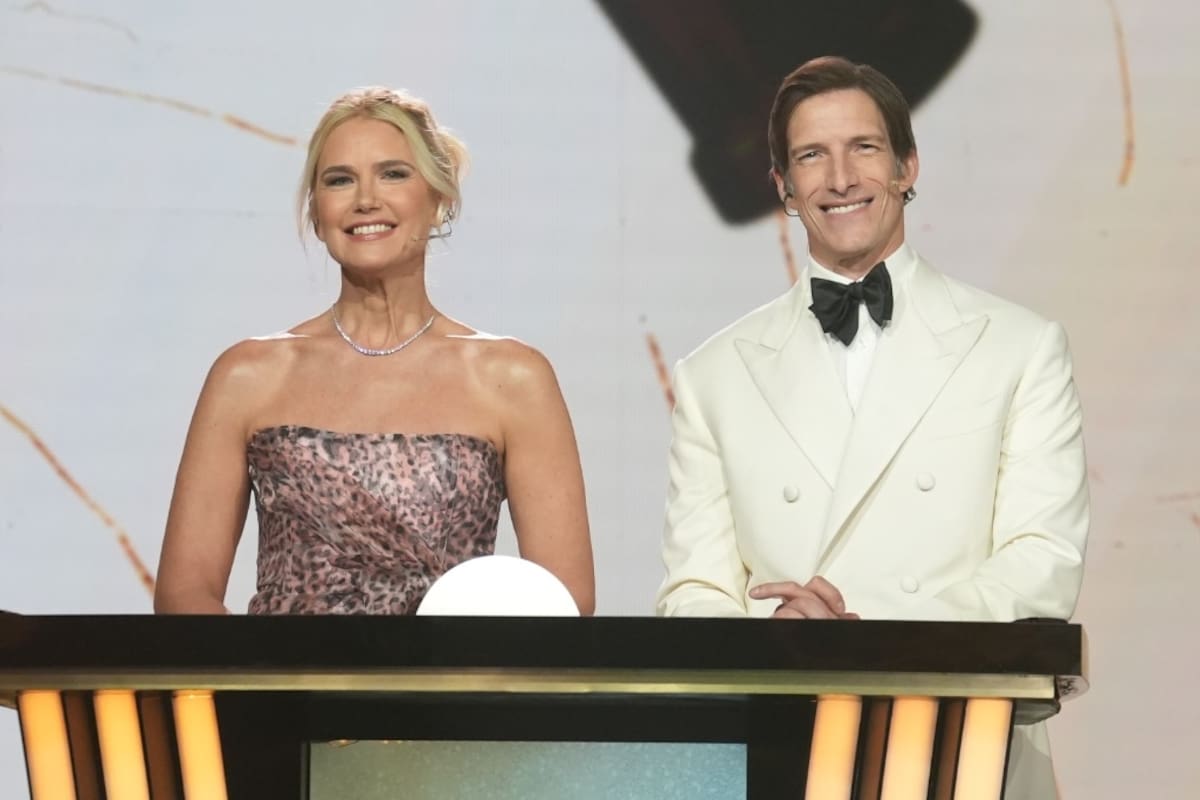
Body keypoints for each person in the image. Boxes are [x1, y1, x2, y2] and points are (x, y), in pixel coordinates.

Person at [657, 57, 1088, 797]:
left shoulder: (1019, 345)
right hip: (789, 743)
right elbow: (693, 590)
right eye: (811, 156)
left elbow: (1041, 563)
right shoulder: (713, 375)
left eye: (863, 147)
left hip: (966, 738)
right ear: (784, 188)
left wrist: (864, 637)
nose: (841, 177)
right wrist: (786, 645)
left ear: (906, 165)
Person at [155, 87, 594, 616]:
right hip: (281, 694)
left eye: (393, 174)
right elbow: (185, 596)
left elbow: (562, 604)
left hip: (447, 695)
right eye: (339, 180)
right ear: (317, 213)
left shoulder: (512, 379)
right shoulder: (248, 375)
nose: (366, 199)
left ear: (439, 199)